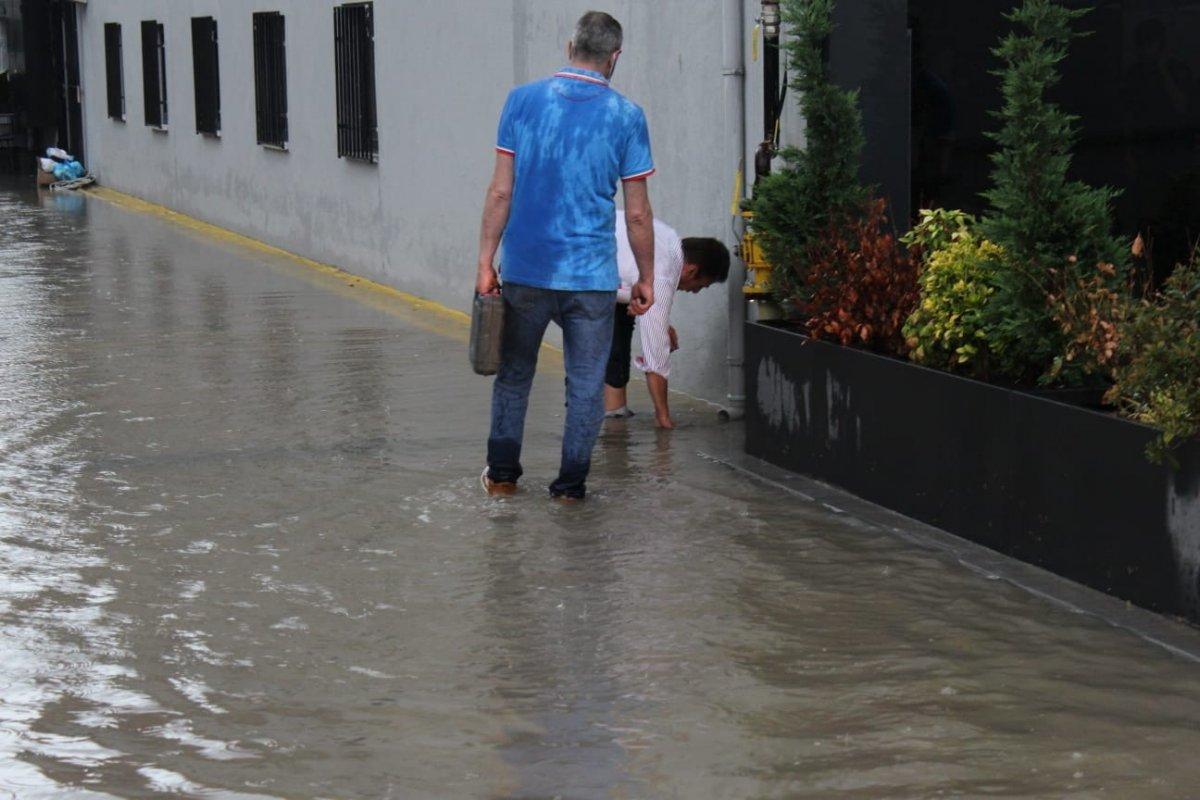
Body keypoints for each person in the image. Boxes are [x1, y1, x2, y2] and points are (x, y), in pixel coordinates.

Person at [476, 11, 656, 501]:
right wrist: (646, 277)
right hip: (591, 278)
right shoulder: (626, 116)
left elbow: (500, 192)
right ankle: (570, 488)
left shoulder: (522, 102)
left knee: (514, 377)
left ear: (569, 44)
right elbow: (637, 215)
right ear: (614, 57)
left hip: (526, 271)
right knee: (584, 386)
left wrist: (485, 263)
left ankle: (503, 480)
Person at [603, 218, 730, 428]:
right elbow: (656, 360)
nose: (695, 292)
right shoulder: (661, 278)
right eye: (700, 285)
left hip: (576, 247)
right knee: (588, 352)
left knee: (624, 320)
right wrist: (663, 417)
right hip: (567, 274)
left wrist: (662, 325)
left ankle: (614, 413)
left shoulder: (668, 237)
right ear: (691, 270)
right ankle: (588, 417)